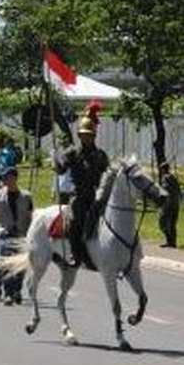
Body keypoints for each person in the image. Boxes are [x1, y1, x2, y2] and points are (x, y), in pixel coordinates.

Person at [62, 101, 109, 268]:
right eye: (83, 135)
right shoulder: (72, 153)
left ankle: (100, 255)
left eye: (89, 135)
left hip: (96, 195)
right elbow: (61, 171)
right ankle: (76, 255)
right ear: (79, 135)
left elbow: (106, 175)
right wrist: (57, 161)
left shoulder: (101, 155)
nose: (86, 138)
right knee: (74, 224)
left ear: (94, 136)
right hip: (79, 195)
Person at [0, 167, 33, 305]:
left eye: (7, 177)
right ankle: (8, 293)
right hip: (4, 235)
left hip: (21, 236)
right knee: (7, 266)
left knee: (20, 267)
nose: (4, 180)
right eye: (3, 178)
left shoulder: (26, 196)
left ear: (14, 178)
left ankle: (16, 290)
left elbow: (32, 216)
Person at [158, 163, 180, 248]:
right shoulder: (173, 177)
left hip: (168, 205)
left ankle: (169, 241)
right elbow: (177, 190)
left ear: (164, 169)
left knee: (162, 222)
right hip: (176, 205)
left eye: (161, 169)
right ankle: (173, 243)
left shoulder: (165, 178)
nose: (161, 171)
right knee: (172, 224)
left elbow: (165, 190)